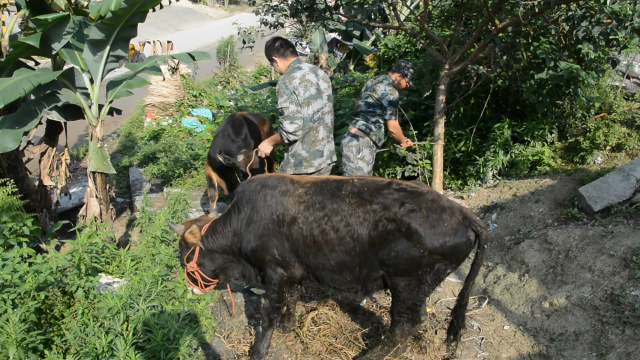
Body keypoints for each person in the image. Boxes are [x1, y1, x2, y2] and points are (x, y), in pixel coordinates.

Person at [257, 36, 336, 175]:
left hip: (302, 165)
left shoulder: (287, 81)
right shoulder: (318, 72)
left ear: (275, 60)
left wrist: (268, 142)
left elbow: (291, 131)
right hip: (326, 157)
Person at [341, 59, 416, 176]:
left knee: (356, 187)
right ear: (399, 76)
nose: (406, 86)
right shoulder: (391, 91)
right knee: (359, 189)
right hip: (362, 145)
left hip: (352, 138)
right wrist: (403, 140)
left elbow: (357, 102)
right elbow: (393, 127)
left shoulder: (372, 82)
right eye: (407, 82)